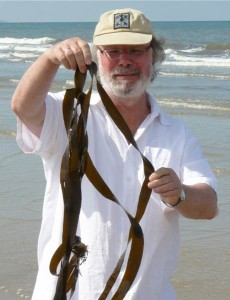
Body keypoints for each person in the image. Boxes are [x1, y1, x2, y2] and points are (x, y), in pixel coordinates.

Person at [11, 8, 218, 300]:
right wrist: (49, 59)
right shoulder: (68, 113)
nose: (124, 60)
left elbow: (208, 205)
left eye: (135, 50)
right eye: (113, 51)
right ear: (96, 57)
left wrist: (179, 194)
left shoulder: (176, 132)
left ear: (153, 56)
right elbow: (23, 107)